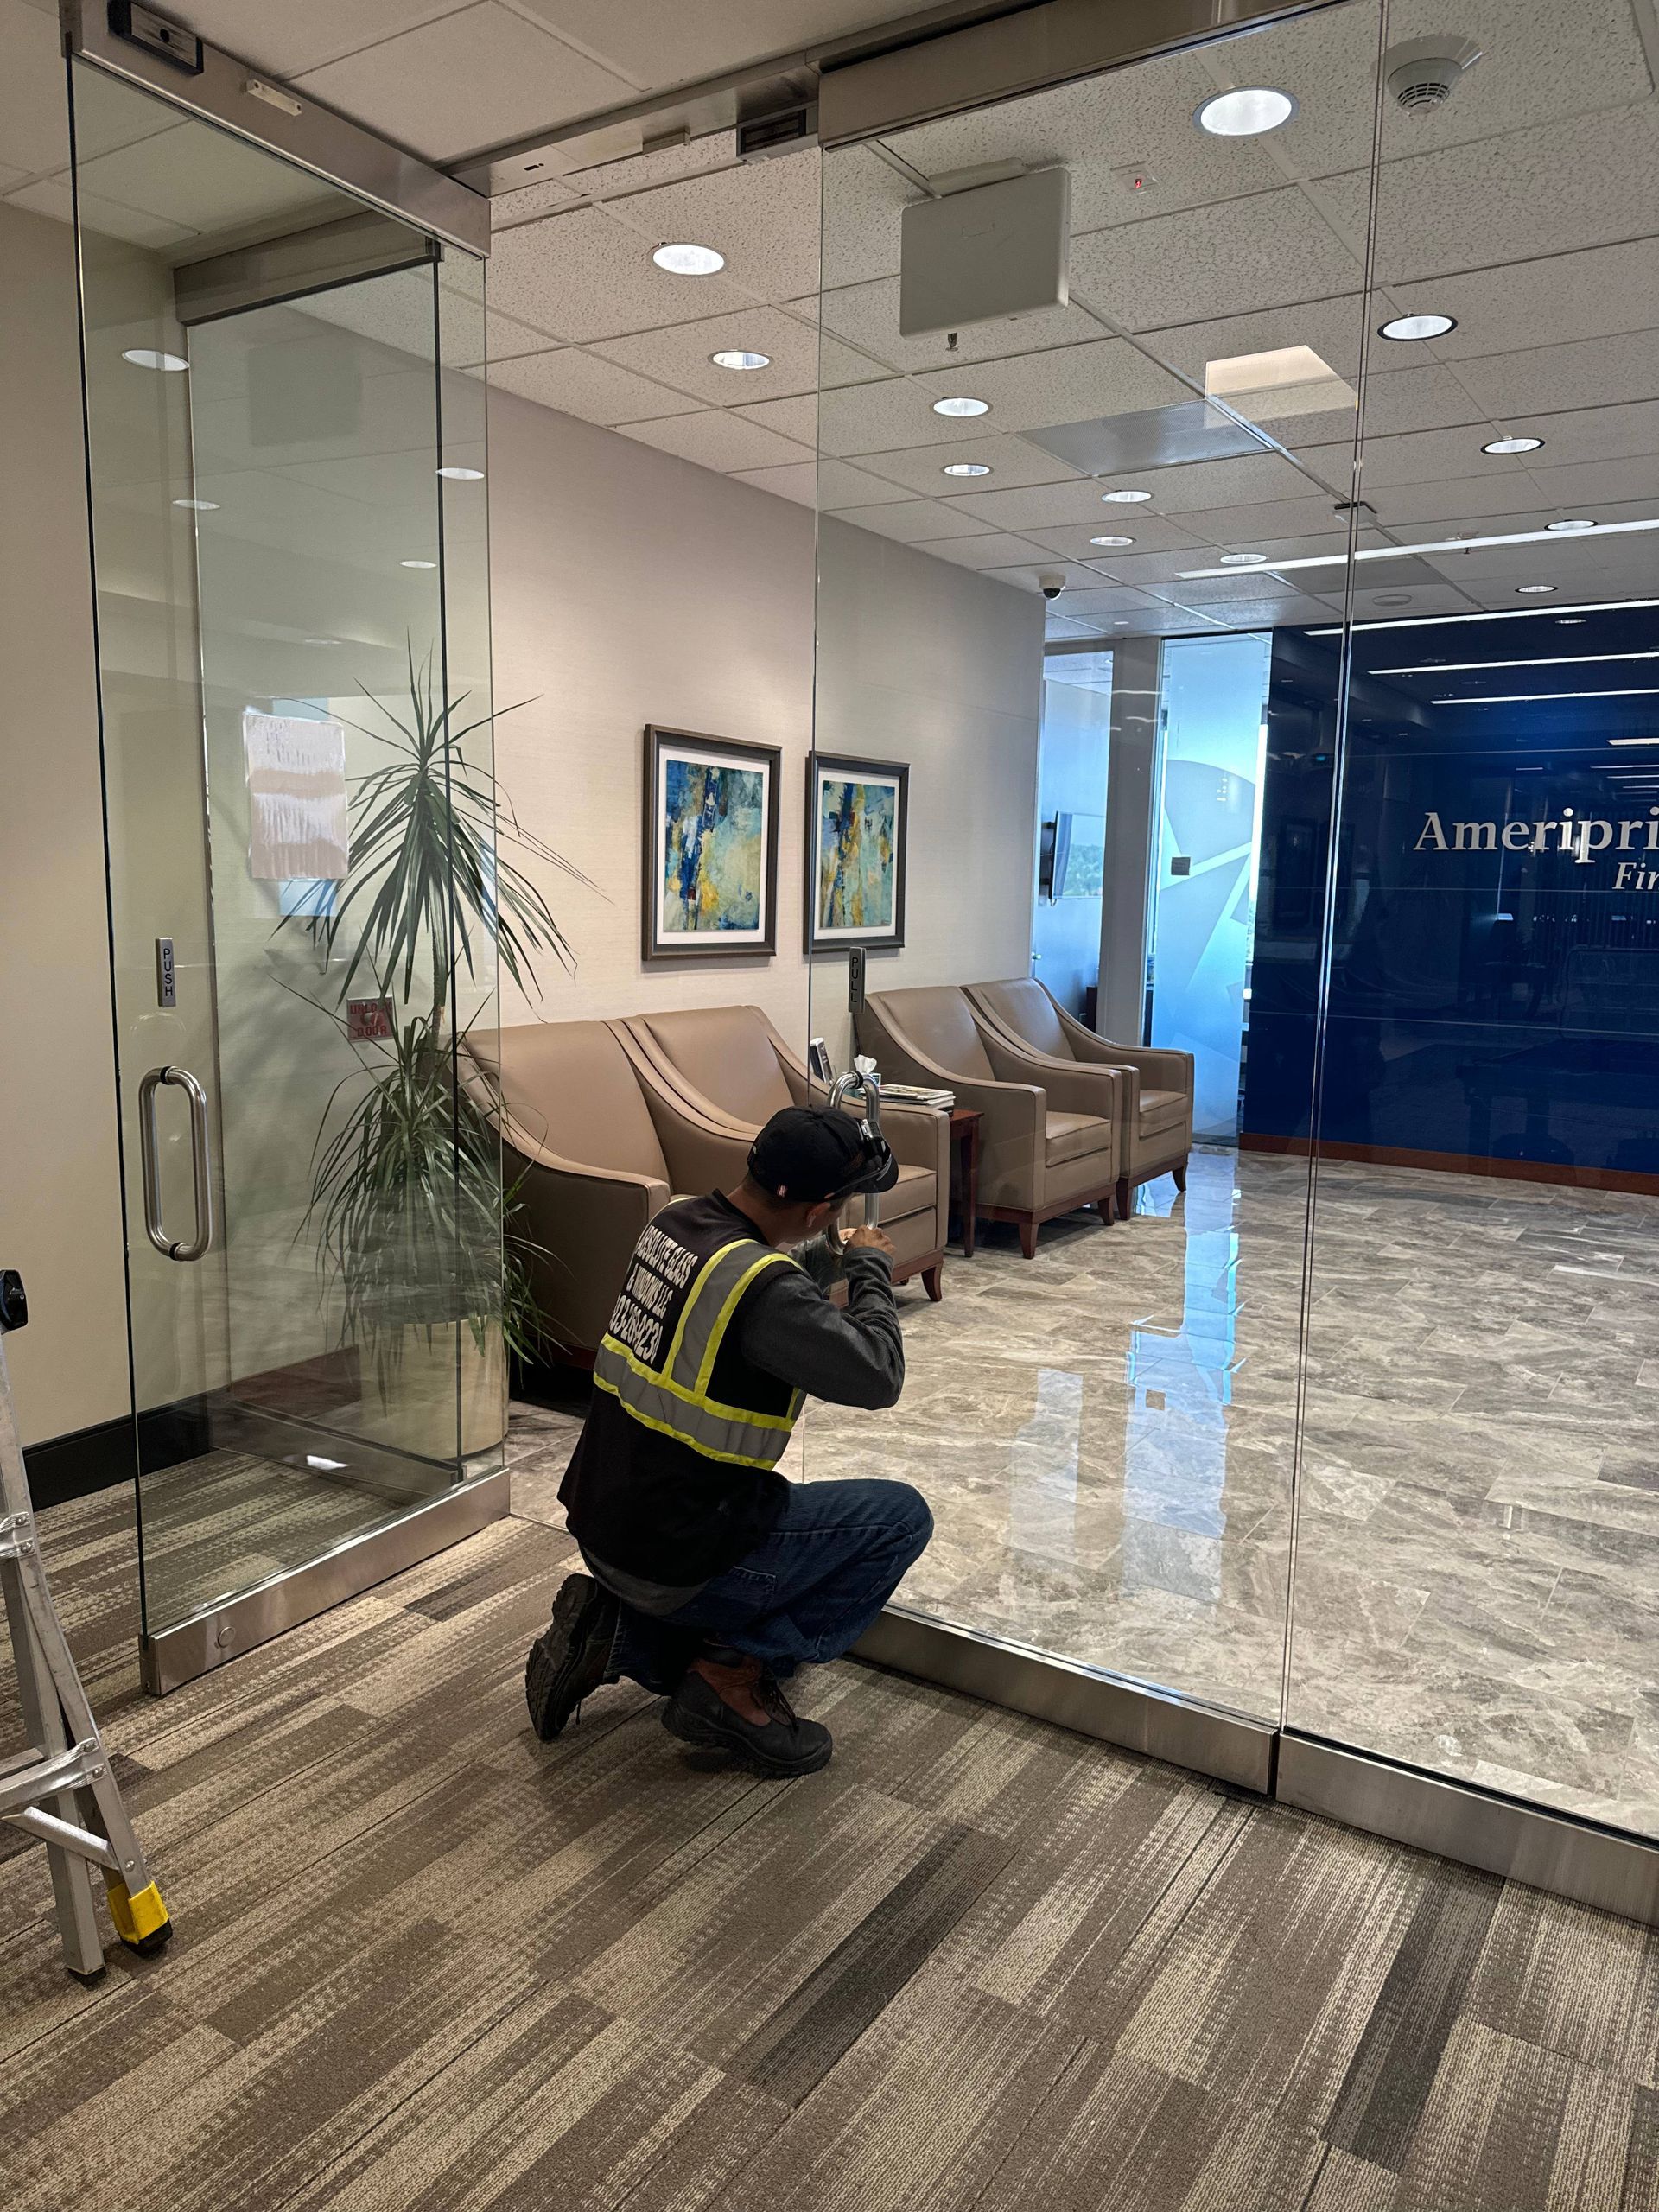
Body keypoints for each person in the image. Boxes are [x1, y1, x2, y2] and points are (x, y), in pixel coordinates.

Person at [524, 1103, 933, 1777]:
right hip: (675, 1559)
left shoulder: (673, 1224)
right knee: (897, 1519)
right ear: (815, 1212)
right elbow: (877, 1374)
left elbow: (755, 1284)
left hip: (606, 1525)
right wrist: (867, 1270)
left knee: (788, 1514)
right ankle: (728, 1683)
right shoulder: (765, 1295)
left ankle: (617, 1635)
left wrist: (829, 1252)